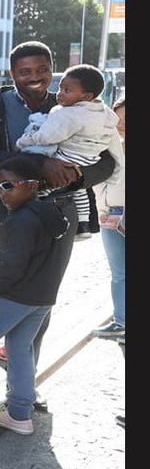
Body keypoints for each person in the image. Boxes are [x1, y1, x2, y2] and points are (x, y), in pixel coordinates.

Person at [0, 42, 115, 398]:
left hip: (56, 219)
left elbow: (108, 161)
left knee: (40, 300)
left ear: (52, 70)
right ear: (13, 74)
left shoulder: (74, 102)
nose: (35, 78)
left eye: (41, 70)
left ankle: (24, 388)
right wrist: (40, 166)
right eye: (25, 72)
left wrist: (74, 176)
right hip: (1, 215)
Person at [0, 155, 76, 438]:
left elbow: (10, 266)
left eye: (8, 186)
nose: (2, 193)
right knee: (20, 349)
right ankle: (20, 415)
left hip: (13, 295)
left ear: (32, 185)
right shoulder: (53, 212)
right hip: (41, 299)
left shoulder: (21, 221)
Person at [15, 64, 124, 235]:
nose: (60, 93)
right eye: (60, 88)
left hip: (68, 157)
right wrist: (117, 170)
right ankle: (83, 225)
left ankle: (52, 223)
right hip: (90, 159)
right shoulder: (107, 113)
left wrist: (24, 141)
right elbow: (114, 144)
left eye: (67, 90)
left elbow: (48, 136)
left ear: (86, 96)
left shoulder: (69, 113)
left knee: (42, 188)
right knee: (78, 190)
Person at [93, 92, 125, 340]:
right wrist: (102, 211)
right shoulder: (106, 147)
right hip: (110, 216)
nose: (122, 124)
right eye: (118, 118)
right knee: (119, 273)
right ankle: (122, 322)